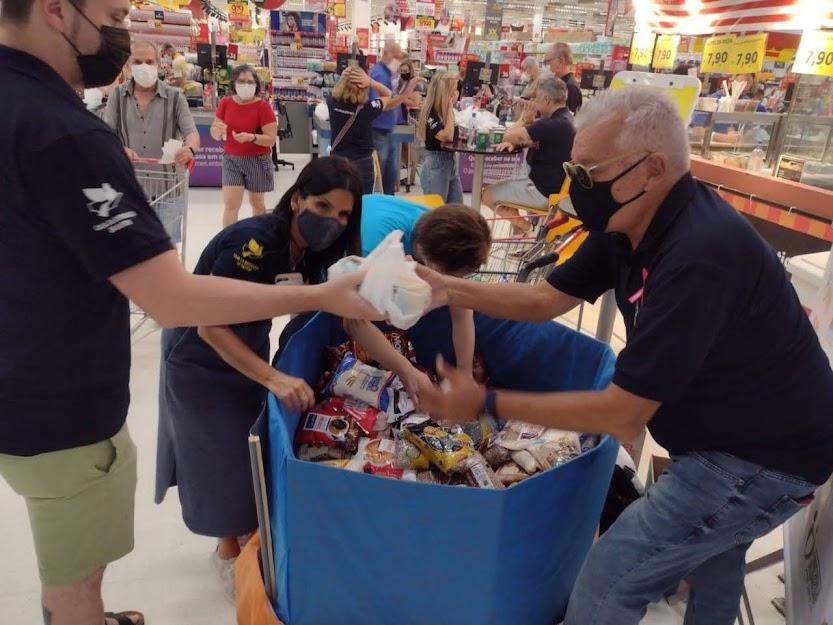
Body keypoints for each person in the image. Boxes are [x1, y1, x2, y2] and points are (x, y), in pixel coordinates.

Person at [0, 1, 384, 623]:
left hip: (30, 383)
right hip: (58, 404)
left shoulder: (26, 110)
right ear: (56, 10)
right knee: (78, 567)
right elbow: (176, 302)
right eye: (117, 11)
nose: (127, 32)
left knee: (71, 554)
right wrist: (314, 299)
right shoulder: (64, 132)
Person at [416, 87, 833, 625]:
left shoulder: (700, 254)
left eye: (588, 173)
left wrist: (485, 401)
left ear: (651, 169)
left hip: (759, 460)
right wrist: (453, 289)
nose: (576, 187)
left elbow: (621, 413)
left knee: (607, 584)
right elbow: (547, 299)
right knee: (714, 557)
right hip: (735, 435)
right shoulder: (630, 223)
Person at [155, 157, 363, 600]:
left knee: (241, 455)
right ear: (296, 199)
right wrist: (272, 378)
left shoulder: (310, 250)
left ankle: (240, 546)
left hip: (246, 347)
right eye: (323, 206)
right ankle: (230, 556)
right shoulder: (255, 242)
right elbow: (210, 326)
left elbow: (311, 309)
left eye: (343, 214)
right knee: (218, 460)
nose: (333, 221)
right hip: (200, 356)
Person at [350, 199, 491, 392]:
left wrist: (464, 375)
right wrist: (408, 371)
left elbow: (462, 306)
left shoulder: (441, 228)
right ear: (429, 265)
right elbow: (352, 322)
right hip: (345, 247)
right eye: (447, 277)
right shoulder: (374, 251)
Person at [103, 39, 199, 242]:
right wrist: (120, 149)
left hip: (168, 190)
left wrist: (189, 149)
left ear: (159, 64)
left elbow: (191, 133)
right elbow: (106, 135)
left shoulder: (175, 97)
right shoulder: (117, 97)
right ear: (128, 66)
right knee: (130, 249)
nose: (143, 67)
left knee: (166, 250)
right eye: (137, 62)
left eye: (149, 61)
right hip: (128, 192)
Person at [482, 76, 574, 232]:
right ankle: (525, 233)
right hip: (551, 188)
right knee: (507, 194)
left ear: (546, 100)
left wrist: (523, 119)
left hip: (540, 190)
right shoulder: (567, 119)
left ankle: (529, 230)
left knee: (487, 195)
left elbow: (505, 135)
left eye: (536, 99)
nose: (534, 104)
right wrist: (516, 141)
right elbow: (529, 139)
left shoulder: (552, 124)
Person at [211, 64, 278, 227]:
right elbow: (215, 131)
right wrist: (217, 130)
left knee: (257, 204)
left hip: (257, 160)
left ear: (256, 85)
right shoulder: (225, 103)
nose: (246, 85)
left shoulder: (262, 106)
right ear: (234, 83)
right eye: (241, 81)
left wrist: (251, 137)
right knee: (231, 205)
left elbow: (271, 139)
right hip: (231, 160)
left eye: (250, 81)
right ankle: (227, 241)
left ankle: (259, 238)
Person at [327, 65, 390, 194]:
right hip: (362, 165)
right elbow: (387, 94)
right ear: (364, 86)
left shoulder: (332, 102)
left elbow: (335, 91)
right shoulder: (368, 109)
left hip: (337, 163)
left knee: (338, 203)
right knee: (362, 205)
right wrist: (371, 82)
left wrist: (343, 79)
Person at [370, 40, 412, 195]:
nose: (398, 61)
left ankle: (388, 204)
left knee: (390, 176)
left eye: (400, 58)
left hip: (388, 131)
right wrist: (404, 95)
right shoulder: (380, 74)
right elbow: (381, 105)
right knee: (379, 178)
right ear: (385, 54)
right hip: (378, 132)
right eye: (396, 57)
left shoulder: (389, 73)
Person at [417, 69, 463, 203]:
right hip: (436, 164)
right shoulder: (431, 113)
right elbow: (447, 136)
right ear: (446, 92)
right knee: (435, 213)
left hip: (451, 163)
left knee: (457, 211)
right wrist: (449, 105)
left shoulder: (446, 112)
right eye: (455, 88)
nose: (458, 93)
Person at [545, 42, 582, 114]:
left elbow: (568, 120)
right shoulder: (558, 82)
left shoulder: (570, 87)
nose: (548, 65)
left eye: (549, 61)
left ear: (561, 60)